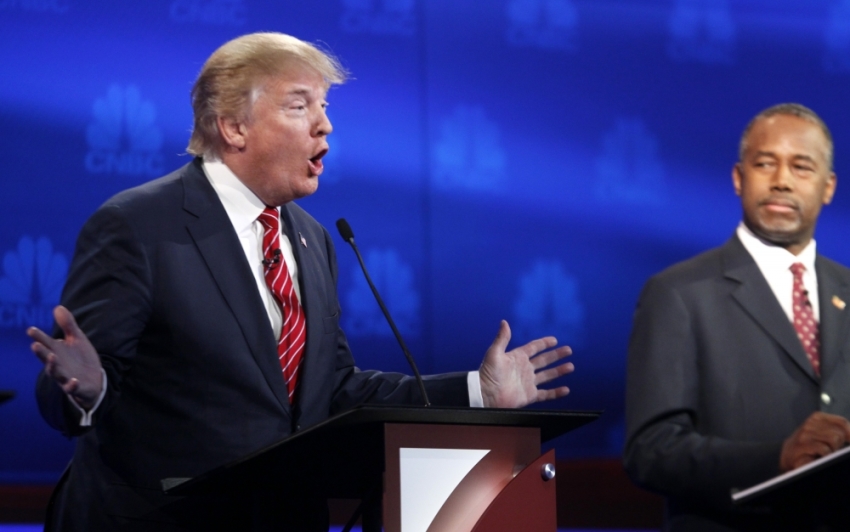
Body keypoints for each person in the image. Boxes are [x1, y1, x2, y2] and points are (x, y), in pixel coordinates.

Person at [28, 32, 575, 531]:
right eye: (300, 105)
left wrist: (478, 391)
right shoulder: (139, 225)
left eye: (325, 106)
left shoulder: (312, 238)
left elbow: (333, 391)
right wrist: (88, 389)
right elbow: (72, 390)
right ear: (233, 126)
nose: (325, 124)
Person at [624, 103, 850, 531]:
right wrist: (776, 458)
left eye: (801, 167)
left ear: (828, 187)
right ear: (738, 177)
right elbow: (650, 452)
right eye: (765, 163)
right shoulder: (678, 293)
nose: (782, 180)